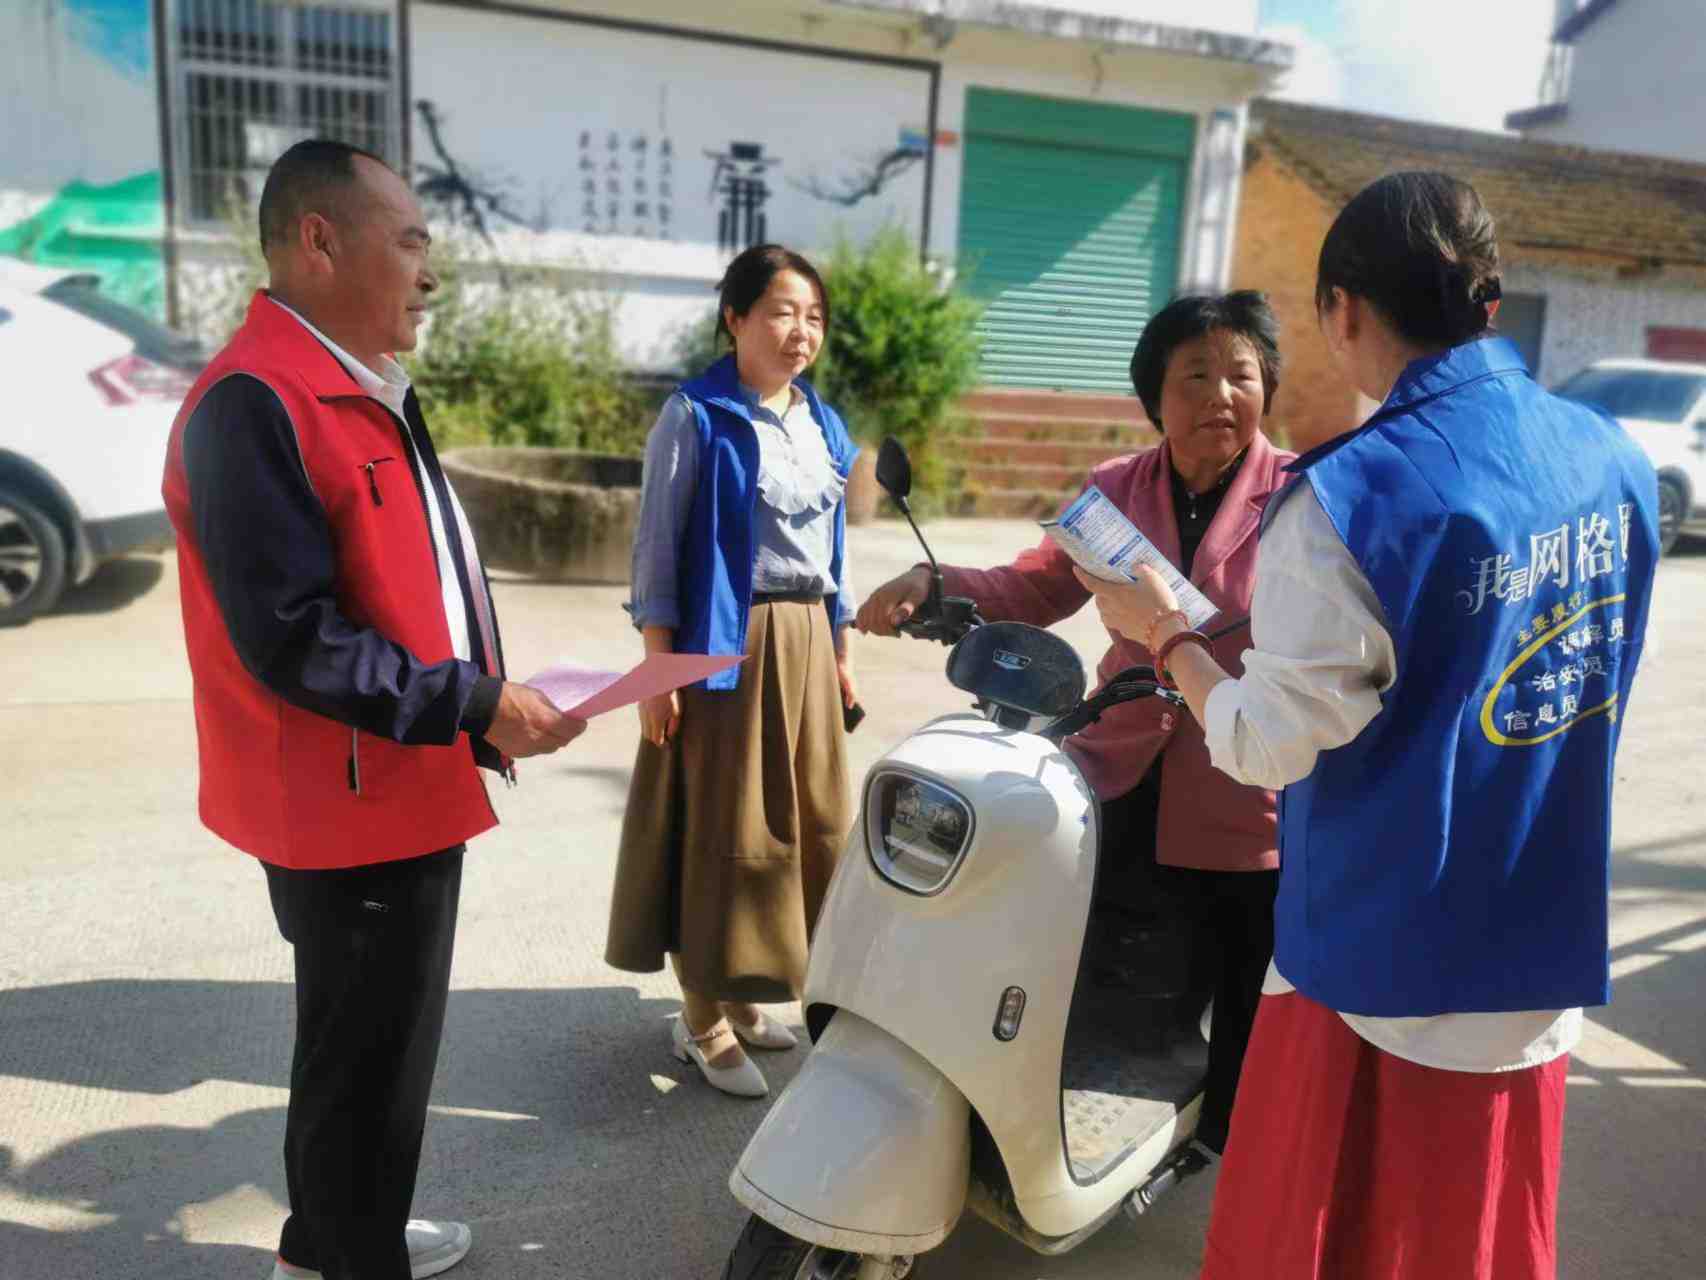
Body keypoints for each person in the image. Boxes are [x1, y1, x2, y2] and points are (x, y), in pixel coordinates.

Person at [1077, 172, 1660, 1280]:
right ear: (1488, 299)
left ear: (1340, 309)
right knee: (1479, 1235)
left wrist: (1165, 637)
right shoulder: (1611, 456)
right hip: (1536, 930)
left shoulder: (1349, 495)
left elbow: (1264, 741)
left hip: (1381, 958)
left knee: (1346, 1235)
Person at [161, 139, 585, 1280]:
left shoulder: (356, 385)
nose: (428, 272)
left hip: (400, 772)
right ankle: (350, 1258)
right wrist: (474, 701)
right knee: (365, 1063)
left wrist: (477, 695)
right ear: (318, 241)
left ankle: (335, 1242)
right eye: (409, 241)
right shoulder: (254, 401)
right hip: (347, 799)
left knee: (369, 1052)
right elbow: (291, 635)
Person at [859, 291, 1293, 1156]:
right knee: (1090, 959)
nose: (1219, 395)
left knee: (1243, 988)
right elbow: (1038, 585)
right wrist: (937, 583)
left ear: (1267, 388)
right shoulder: (1115, 491)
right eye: (1194, 376)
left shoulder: (1302, 500)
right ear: (1154, 394)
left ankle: (1228, 1146)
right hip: (1117, 766)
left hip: (1245, 787)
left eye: (1241, 375)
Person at [605, 244, 859, 1099]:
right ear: (736, 318)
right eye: (782, 312)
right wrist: (658, 672)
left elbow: (834, 549)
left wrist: (842, 648)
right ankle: (700, 1015)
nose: (801, 331)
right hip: (724, 642)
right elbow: (657, 548)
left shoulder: (823, 424)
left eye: (814, 317)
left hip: (807, 641)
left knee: (800, 830)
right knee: (723, 829)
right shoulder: (696, 415)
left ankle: (746, 993)